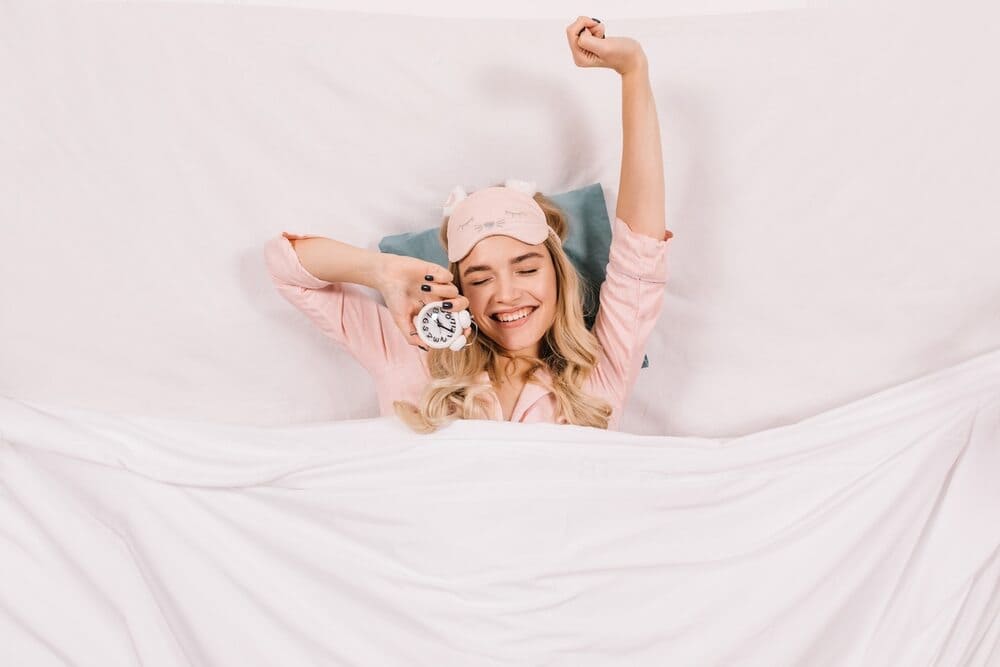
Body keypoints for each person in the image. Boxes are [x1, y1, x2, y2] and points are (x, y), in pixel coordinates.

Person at [264, 17, 674, 433]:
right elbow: (285, 266)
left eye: (527, 268)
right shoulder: (410, 353)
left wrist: (633, 70)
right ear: (459, 290)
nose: (507, 294)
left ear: (558, 274)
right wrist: (383, 270)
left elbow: (640, 249)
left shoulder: (600, 369)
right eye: (480, 279)